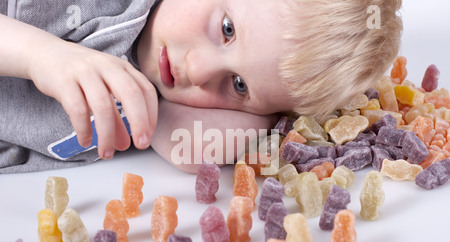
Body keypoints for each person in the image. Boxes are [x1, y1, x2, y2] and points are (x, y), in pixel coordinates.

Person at [0, 0, 403, 174]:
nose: (198, 70)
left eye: (239, 85)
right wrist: (40, 55)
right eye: (226, 30)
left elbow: (190, 147)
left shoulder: (152, 103)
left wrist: (275, 113)